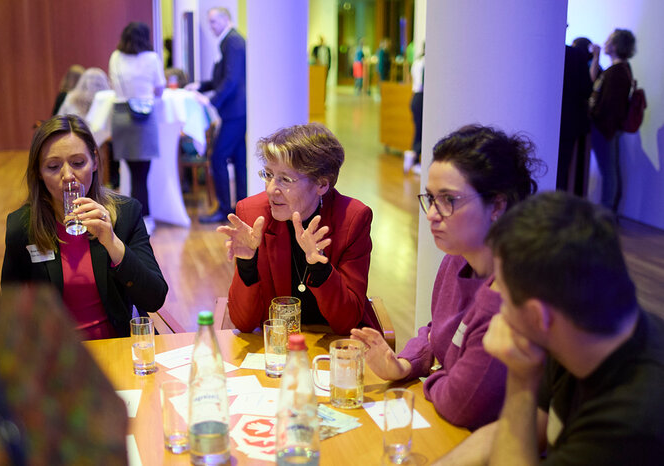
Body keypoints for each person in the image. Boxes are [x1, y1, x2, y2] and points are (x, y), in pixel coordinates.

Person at [436, 192, 664, 465]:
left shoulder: (632, 424)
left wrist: (521, 381)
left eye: (504, 301)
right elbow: (511, 432)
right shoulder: (580, 327)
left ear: (537, 317)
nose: (499, 313)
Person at [352, 125, 542, 430]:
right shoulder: (455, 260)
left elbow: (463, 405)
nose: (432, 214)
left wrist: (438, 375)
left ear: (497, 205)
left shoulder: (511, 294)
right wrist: (404, 364)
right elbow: (435, 331)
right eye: (430, 198)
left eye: (449, 200)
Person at [0, 114, 168, 339]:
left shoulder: (126, 213)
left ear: (95, 161)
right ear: (38, 173)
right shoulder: (22, 226)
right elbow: (11, 310)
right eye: (53, 166)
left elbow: (154, 298)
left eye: (78, 163)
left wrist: (112, 242)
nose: (68, 176)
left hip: (119, 347)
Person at [216, 123, 381, 335]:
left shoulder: (352, 219)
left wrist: (320, 268)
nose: (271, 189)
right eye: (268, 174)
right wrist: (247, 263)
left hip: (332, 344)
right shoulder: (252, 214)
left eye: (285, 179)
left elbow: (346, 323)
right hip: (279, 345)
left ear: (322, 184)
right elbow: (244, 323)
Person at [188, 7, 247, 223]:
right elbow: (221, 78)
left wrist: (211, 100)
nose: (210, 26)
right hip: (236, 111)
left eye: (213, 22)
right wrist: (201, 86)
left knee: (218, 157)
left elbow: (231, 80)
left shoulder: (232, 41)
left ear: (225, 20)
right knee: (239, 160)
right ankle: (242, 207)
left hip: (235, 111)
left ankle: (224, 210)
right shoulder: (230, 41)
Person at [108, 21, 166, 233]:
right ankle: (145, 219)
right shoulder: (151, 58)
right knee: (142, 174)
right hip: (144, 116)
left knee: (131, 172)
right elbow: (160, 89)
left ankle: (132, 219)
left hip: (121, 115)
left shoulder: (115, 56)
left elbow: (114, 85)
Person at [588, 28, 636, 214]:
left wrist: (594, 117)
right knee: (611, 169)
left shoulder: (616, 71)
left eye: (609, 41)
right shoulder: (623, 69)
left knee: (608, 171)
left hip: (605, 128)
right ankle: (609, 211)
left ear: (616, 45)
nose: (606, 43)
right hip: (610, 128)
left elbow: (608, 104)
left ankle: (607, 213)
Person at [556, 44, 592, 196]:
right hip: (567, 124)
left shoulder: (534, 47)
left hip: (538, 121)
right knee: (560, 172)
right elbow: (586, 90)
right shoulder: (576, 55)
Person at [404, 42, 425, 175]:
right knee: (420, 131)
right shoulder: (425, 63)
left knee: (418, 130)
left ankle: (413, 157)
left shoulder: (417, 62)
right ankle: (415, 159)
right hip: (421, 96)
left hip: (415, 97)